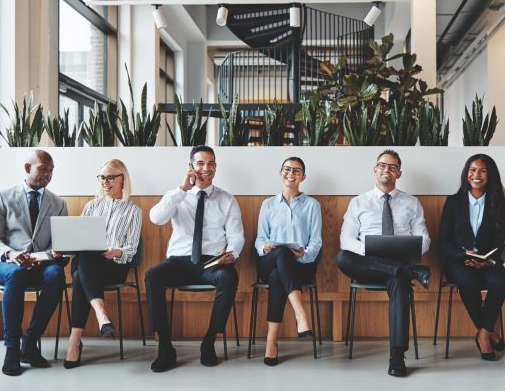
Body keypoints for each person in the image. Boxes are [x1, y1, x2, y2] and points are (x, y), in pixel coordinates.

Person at [145, 145, 244, 372]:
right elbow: (156, 218)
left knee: (229, 278)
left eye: (210, 164)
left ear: (216, 167)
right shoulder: (177, 195)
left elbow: (236, 235)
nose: (205, 168)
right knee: (152, 276)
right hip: (179, 261)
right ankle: (165, 348)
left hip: (211, 262)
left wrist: (232, 254)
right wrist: (182, 189)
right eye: (200, 163)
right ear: (191, 166)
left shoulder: (227, 199)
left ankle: (209, 342)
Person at [337, 149, 431, 377]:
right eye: (382, 165)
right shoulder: (358, 202)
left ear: (398, 173)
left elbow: (425, 238)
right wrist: (368, 249)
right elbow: (345, 239)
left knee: (399, 282)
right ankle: (411, 271)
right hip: (367, 264)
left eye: (392, 166)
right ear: (374, 170)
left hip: (396, 264)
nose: (386, 169)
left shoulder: (412, 203)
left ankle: (397, 356)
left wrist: (406, 250)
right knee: (342, 257)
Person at [0, 150, 69, 376]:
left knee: (56, 276)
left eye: (52, 170)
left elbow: (59, 244)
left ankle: (29, 343)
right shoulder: (3, 196)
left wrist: (52, 255)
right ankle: (12, 349)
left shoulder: (58, 203)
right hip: (6, 264)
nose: (49, 174)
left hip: (40, 265)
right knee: (17, 274)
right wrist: (12, 254)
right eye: (44, 168)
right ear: (27, 168)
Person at [63, 159, 143, 369]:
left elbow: (131, 249)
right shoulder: (91, 206)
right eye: (102, 177)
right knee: (86, 257)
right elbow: (78, 241)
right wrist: (61, 248)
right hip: (88, 263)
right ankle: (101, 316)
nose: (105, 182)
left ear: (122, 179)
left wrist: (116, 251)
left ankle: (75, 340)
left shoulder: (133, 211)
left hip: (114, 266)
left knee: (81, 271)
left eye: (110, 177)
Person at [438, 153, 505, 361]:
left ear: (490, 175)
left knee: (500, 281)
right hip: (458, 261)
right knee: (468, 281)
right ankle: (487, 334)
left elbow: (499, 241)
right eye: (472, 169)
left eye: (482, 170)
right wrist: (461, 255)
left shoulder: (498, 204)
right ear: (466, 173)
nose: (476, 174)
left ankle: (483, 332)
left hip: (487, 261)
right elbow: (443, 240)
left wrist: (489, 261)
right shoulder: (453, 202)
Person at [254, 156, 322, 366]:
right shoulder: (267, 204)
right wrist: (263, 247)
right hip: (269, 259)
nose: (291, 173)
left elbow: (316, 240)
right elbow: (260, 237)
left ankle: (271, 342)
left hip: (299, 265)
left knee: (278, 276)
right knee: (281, 253)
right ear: (280, 173)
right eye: (287, 169)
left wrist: (304, 254)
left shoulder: (313, 205)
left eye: (296, 170)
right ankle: (300, 314)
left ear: (303, 176)